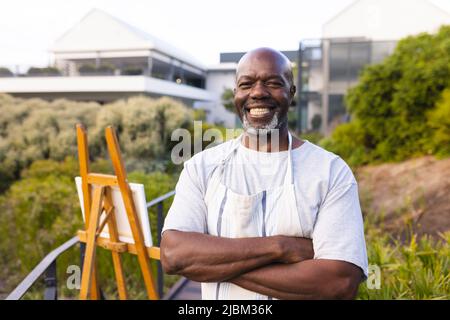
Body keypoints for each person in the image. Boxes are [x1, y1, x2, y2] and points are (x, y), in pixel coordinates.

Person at [160, 48, 368, 300]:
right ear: (236, 94)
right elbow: (174, 255)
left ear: (291, 93)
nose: (257, 92)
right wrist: (282, 247)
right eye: (246, 84)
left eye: (272, 83)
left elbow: (339, 282)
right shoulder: (201, 167)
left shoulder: (331, 172)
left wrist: (210, 265)